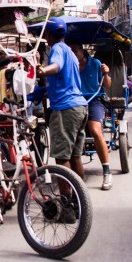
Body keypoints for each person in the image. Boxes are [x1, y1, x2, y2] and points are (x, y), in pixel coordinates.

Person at [35, 17, 89, 184]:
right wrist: (44, 91)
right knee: (75, 156)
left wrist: (42, 70)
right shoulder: (70, 53)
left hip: (66, 109)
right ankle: (80, 198)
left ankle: (67, 204)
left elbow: (56, 67)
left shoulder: (57, 49)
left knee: (61, 159)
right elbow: (65, 80)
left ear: (49, 34)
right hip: (80, 106)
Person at [70, 44, 113, 190]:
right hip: (75, 101)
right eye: (71, 52)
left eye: (75, 50)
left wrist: (106, 74)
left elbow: (107, 85)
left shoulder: (95, 63)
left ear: (82, 51)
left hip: (95, 99)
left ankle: (107, 172)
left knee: (95, 130)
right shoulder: (70, 66)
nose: (73, 54)